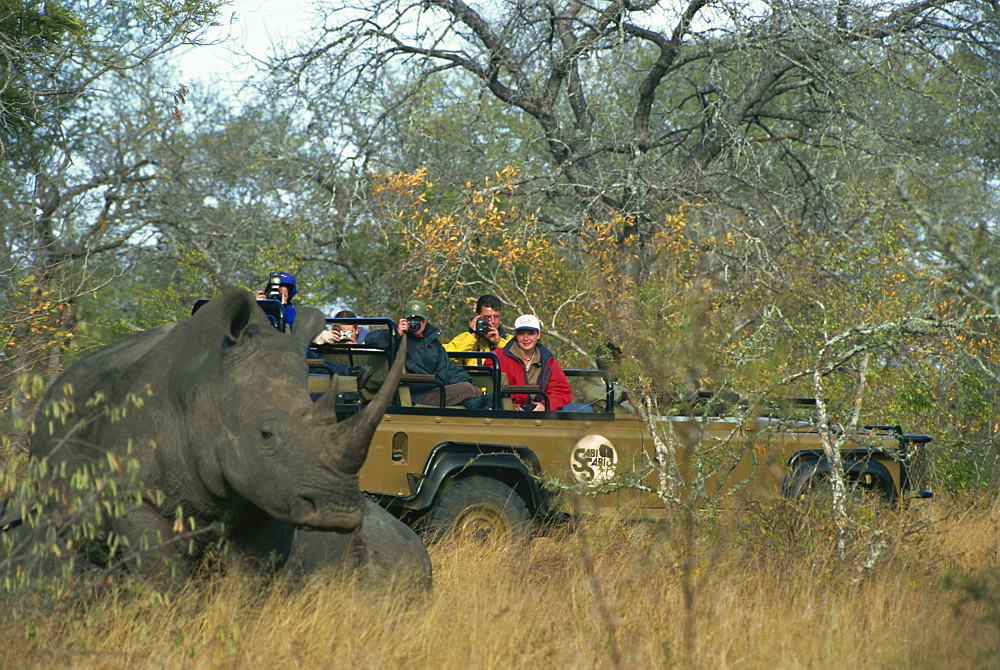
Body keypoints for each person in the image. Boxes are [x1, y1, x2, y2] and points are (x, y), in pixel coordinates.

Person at [364, 298, 486, 408]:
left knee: (471, 389)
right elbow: (370, 339)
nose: (415, 324)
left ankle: (480, 399)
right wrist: (396, 334)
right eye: (411, 320)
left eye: (419, 320)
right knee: (469, 390)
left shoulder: (432, 341)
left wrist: (467, 381)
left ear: (426, 321)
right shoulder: (395, 336)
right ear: (404, 320)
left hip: (435, 389)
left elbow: (447, 368)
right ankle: (479, 399)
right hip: (415, 394)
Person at [491, 314, 593, 413]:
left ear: (538, 335)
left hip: (541, 409)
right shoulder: (497, 357)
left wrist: (545, 405)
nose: (526, 338)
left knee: (585, 410)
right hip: (508, 412)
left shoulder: (547, 359)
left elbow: (561, 391)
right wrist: (509, 405)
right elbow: (489, 390)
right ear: (516, 335)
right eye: (521, 333)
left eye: (531, 333)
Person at [444, 294, 513, 366]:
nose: (492, 321)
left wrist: (498, 342)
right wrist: (472, 336)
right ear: (477, 317)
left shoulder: (510, 341)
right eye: (487, 317)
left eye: (496, 316)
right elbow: (447, 358)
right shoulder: (465, 339)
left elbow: (519, 362)